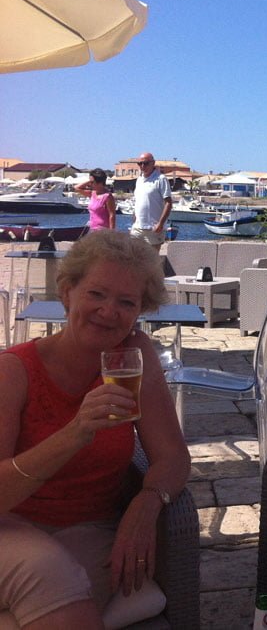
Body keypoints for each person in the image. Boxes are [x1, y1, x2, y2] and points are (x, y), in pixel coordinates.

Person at [0, 230, 191, 628]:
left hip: (90, 530)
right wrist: (74, 433)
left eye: (126, 302)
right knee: (48, 569)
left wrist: (146, 504)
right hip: (9, 525)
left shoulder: (134, 359)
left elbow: (173, 457)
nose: (109, 311)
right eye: (96, 294)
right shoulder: (14, 371)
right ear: (67, 293)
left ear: (140, 311)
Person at [129, 153, 172, 252]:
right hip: (137, 227)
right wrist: (134, 215)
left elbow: (168, 203)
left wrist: (160, 224)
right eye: (139, 163)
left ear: (153, 163)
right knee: (132, 255)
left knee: (152, 259)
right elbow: (139, 200)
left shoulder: (161, 179)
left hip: (153, 229)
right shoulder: (139, 180)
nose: (142, 166)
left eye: (146, 163)